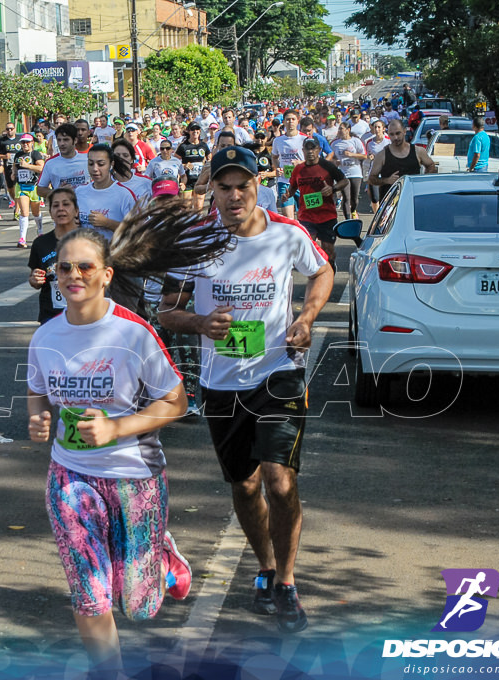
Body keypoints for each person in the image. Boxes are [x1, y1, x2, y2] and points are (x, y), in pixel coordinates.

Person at [29, 216, 231, 673]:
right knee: (89, 591)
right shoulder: (45, 336)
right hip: (70, 475)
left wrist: (117, 428)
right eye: (64, 268)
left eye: (84, 267)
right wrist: (38, 416)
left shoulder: (133, 333)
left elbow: (177, 402)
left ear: (107, 275)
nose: (73, 276)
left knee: (140, 605)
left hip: (134, 478)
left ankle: (160, 554)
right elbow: (36, 388)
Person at [158, 145, 334, 634]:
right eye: (224, 186)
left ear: (259, 185)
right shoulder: (194, 239)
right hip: (220, 384)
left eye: (243, 186)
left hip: (277, 373)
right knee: (245, 484)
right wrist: (197, 321)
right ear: (210, 189)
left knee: (280, 481)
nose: (234, 196)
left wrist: (307, 316)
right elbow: (165, 309)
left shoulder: (286, 233)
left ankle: (288, 582)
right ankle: (264, 568)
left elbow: (322, 270)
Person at [288, 138, 348, 269]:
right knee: (309, 249)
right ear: (303, 150)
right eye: (307, 148)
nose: (310, 151)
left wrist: (332, 189)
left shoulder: (327, 165)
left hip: (327, 215)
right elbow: (292, 187)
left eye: (313, 148)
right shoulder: (298, 169)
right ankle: (316, 275)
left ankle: (330, 267)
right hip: (306, 216)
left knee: (328, 251)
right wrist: (287, 194)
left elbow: (344, 181)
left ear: (319, 150)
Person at [27, 186, 80, 324]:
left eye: (66, 204)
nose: (61, 209)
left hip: (84, 314)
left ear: (76, 211)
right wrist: (35, 280)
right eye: (55, 205)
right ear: (50, 212)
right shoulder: (41, 243)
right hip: (51, 316)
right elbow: (35, 278)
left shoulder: (90, 240)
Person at [74, 145, 137, 239]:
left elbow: (135, 231)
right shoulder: (79, 192)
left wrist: (107, 223)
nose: (95, 169)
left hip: (113, 252)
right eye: (91, 164)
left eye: (101, 164)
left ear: (111, 164)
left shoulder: (124, 194)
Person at [367, 119, 437, 191]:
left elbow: (431, 165)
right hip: (391, 200)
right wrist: (387, 180)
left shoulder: (418, 151)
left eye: (398, 133)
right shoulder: (382, 155)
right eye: (392, 134)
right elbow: (372, 178)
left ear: (404, 131)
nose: (395, 138)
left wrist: (422, 181)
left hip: (412, 196)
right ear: (388, 134)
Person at [13, 134, 46, 248]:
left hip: (34, 186)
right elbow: (15, 165)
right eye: (23, 142)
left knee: (36, 213)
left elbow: (41, 168)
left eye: (27, 142)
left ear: (32, 143)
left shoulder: (35, 154)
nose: (25, 144)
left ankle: (40, 231)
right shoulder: (18, 155)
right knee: (24, 212)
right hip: (21, 186)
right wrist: (13, 173)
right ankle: (22, 238)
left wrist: (28, 166)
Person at [272, 110, 306, 219]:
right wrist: (277, 168)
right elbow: (274, 157)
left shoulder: (304, 139)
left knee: (305, 217)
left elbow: (315, 160)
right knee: (288, 217)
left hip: (302, 182)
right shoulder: (278, 140)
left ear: (297, 121)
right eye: (288, 119)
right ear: (284, 122)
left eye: (293, 119)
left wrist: (300, 163)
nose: (290, 122)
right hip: (284, 181)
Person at [330, 123, 366, 220]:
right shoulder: (335, 143)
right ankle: (348, 220)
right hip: (342, 173)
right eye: (339, 129)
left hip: (355, 172)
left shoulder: (356, 141)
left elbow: (364, 155)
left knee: (354, 199)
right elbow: (330, 157)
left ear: (348, 129)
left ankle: (353, 210)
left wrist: (352, 155)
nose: (340, 131)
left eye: (341, 129)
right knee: (346, 197)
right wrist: (335, 161)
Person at [175, 123, 211, 208]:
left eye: (197, 129)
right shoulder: (184, 146)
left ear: (200, 131)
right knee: (186, 207)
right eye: (193, 129)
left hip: (200, 179)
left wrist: (205, 166)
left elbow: (210, 159)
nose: (195, 131)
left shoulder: (203, 145)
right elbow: (175, 162)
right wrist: (184, 165)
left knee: (198, 207)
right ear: (189, 131)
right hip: (187, 180)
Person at [0, 123, 24, 212]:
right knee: (11, 189)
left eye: (11, 129)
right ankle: (16, 203)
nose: (10, 131)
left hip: (20, 167)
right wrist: (4, 156)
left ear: (15, 129)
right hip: (8, 167)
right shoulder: (2, 141)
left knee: (18, 187)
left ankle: (18, 209)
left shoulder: (20, 140)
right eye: (8, 129)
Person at [364, 120, 392, 212]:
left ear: (383, 129)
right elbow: (367, 158)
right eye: (375, 127)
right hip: (374, 172)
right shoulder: (369, 142)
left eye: (379, 127)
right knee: (375, 198)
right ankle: (377, 217)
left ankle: (385, 216)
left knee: (386, 197)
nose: (377, 129)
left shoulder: (389, 141)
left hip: (386, 173)